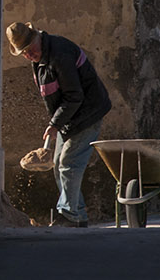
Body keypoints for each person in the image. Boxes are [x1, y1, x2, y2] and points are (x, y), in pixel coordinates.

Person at [7, 22, 112, 228]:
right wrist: (57, 123)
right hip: (69, 117)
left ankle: (70, 215)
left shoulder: (60, 55)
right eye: (24, 53)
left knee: (69, 163)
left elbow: (74, 96)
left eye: (30, 49)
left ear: (37, 37)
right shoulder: (39, 58)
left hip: (87, 113)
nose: (28, 55)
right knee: (58, 165)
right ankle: (77, 214)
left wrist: (55, 124)